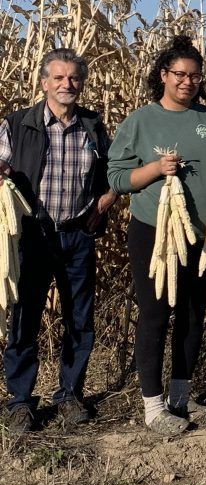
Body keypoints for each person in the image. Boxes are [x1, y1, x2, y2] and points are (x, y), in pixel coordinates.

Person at [107, 35, 206, 435]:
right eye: (179, 74)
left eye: (195, 75)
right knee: (154, 314)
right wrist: (155, 169)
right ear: (163, 75)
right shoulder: (141, 121)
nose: (187, 82)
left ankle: (180, 398)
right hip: (155, 233)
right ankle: (153, 406)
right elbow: (117, 178)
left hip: (205, 233)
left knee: (192, 315)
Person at [0, 48, 118, 435]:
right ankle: (20, 402)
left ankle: (69, 395)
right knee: (24, 319)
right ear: (44, 82)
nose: (67, 84)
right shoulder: (18, 124)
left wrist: (107, 198)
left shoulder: (93, 125)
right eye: (59, 78)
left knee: (79, 321)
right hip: (33, 235)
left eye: (74, 78)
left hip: (77, 234)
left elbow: (113, 171)